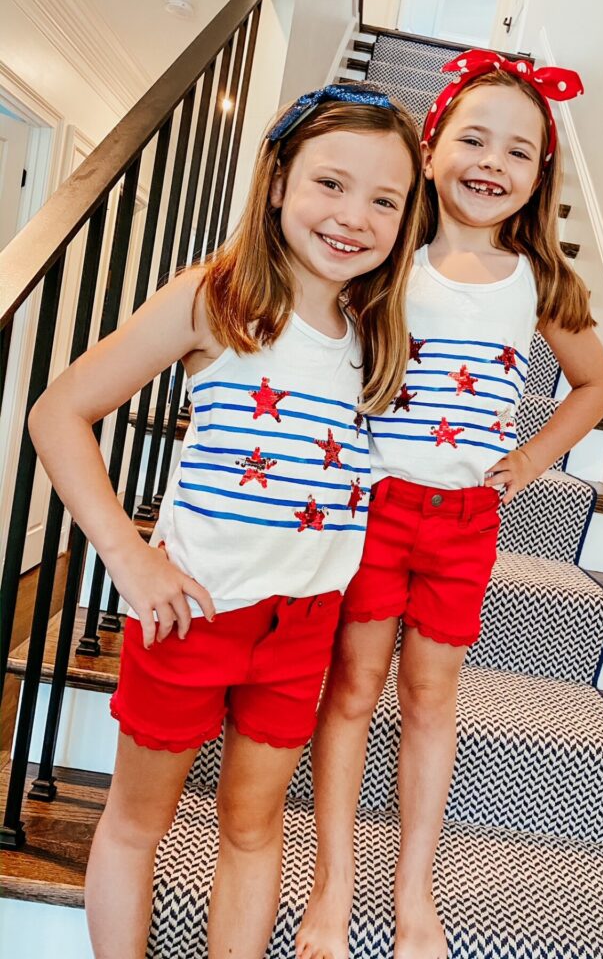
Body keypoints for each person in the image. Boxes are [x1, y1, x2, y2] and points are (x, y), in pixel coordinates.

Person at [28, 84, 425, 959]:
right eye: (331, 182)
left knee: (254, 829)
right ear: (278, 181)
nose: (354, 215)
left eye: (385, 199)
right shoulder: (216, 297)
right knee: (138, 824)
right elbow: (59, 412)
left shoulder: (378, 329)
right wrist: (130, 560)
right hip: (195, 611)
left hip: (304, 625)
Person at [296, 52, 603, 959]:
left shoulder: (539, 280)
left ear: (539, 175)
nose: (492, 161)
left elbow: (593, 385)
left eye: (518, 149)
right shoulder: (391, 255)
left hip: (466, 521)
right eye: (473, 137)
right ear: (429, 149)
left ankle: (415, 896)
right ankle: (332, 888)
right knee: (353, 689)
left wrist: (529, 460)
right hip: (375, 506)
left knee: (431, 701)